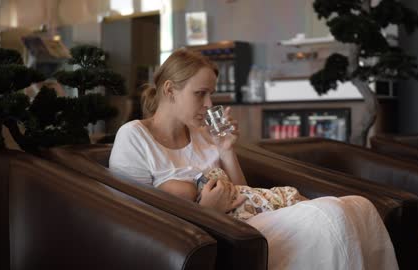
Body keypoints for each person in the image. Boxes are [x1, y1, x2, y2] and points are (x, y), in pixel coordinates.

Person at [109, 49, 399, 270]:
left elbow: (242, 191)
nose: (210, 104)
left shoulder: (201, 133)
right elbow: (135, 218)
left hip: (247, 220)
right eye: (201, 94)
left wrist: (226, 150)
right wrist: (207, 211)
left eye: (211, 94)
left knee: (358, 205)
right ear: (170, 90)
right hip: (209, 232)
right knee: (329, 216)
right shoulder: (134, 136)